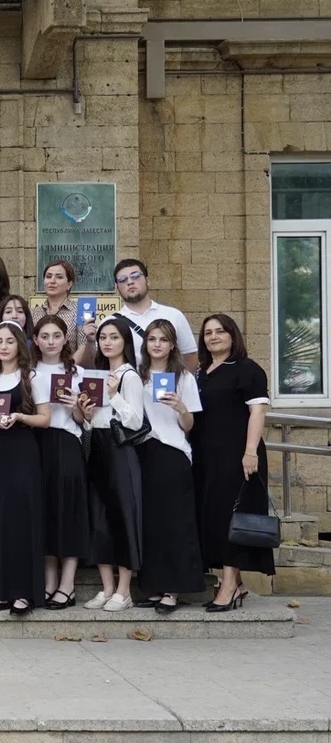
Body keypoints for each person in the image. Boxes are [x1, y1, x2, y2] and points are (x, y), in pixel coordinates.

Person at [193, 314, 273, 612]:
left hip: (237, 456)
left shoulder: (247, 369)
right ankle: (235, 584)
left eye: (220, 331)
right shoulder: (201, 372)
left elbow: (257, 412)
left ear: (232, 335)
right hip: (206, 456)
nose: (213, 337)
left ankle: (228, 587)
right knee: (214, 518)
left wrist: (250, 451)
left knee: (231, 518)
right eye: (208, 333)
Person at [0, 321, 51, 616]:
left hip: (22, 452)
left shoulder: (32, 376)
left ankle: (22, 592)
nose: (4, 347)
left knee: (21, 519)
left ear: (20, 344)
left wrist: (20, 417)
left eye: (9, 341)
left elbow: (45, 418)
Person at [134, 319, 205, 614]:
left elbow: (189, 426)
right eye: (152, 339)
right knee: (150, 522)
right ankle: (154, 585)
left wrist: (181, 408)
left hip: (173, 451)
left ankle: (173, 589)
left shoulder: (183, 377)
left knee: (175, 521)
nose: (157, 344)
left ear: (172, 344)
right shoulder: (137, 375)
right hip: (143, 450)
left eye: (163, 340)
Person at [78, 317, 145, 613]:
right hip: (98, 446)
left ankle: (124, 590)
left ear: (125, 341)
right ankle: (106, 588)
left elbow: (135, 421)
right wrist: (86, 415)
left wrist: (114, 395)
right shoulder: (97, 374)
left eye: (114, 337)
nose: (107, 342)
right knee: (99, 520)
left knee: (122, 518)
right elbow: (93, 420)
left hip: (121, 449)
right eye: (103, 337)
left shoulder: (129, 376)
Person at [31, 315, 91, 609]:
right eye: (44, 336)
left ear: (66, 338)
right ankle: (49, 580)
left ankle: (68, 584)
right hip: (36, 444)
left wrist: (76, 407)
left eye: (56, 335)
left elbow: (85, 419)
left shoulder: (78, 372)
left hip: (67, 442)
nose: (51, 341)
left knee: (69, 510)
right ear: (35, 340)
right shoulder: (28, 370)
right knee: (44, 511)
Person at [113, 258, 198, 370]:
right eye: (122, 279)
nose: (130, 282)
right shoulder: (111, 322)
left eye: (135, 276)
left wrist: (180, 380)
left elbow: (190, 356)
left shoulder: (174, 315)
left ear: (147, 281)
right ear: (118, 288)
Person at [30, 259, 95, 365]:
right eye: (48, 276)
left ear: (69, 284)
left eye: (59, 277)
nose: (52, 281)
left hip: (70, 370)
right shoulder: (33, 313)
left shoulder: (79, 311)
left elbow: (83, 346)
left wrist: (65, 369)